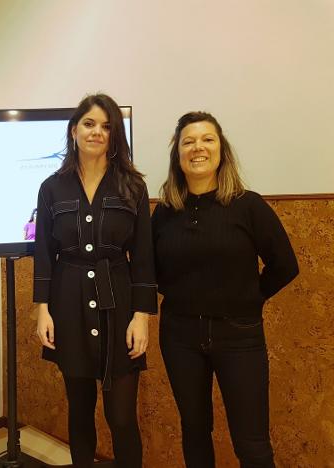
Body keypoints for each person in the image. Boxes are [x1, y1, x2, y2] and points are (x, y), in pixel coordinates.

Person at [151, 111, 299, 468]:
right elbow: (149, 272)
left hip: (239, 336)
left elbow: (285, 265)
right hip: (179, 336)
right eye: (188, 141)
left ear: (221, 150)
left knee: (251, 444)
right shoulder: (165, 214)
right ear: (178, 155)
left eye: (207, 139)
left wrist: (250, 298)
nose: (197, 147)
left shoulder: (248, 205)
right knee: (195, 432)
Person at [33, 94, 157, 467]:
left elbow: (145, 258)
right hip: (67, 303)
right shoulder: (52, 187)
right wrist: (43, 309)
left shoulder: (133, 187)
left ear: (115, 135)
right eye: (89, 123)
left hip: (119, 304)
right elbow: (43, 253)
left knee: (121, 417)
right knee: (80, 410)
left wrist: (142, 316)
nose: (97, 132)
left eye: (106, 126)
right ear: (74, 131)